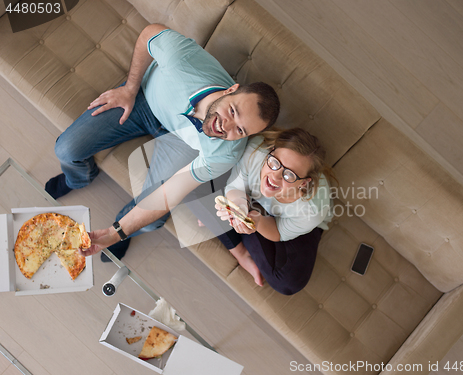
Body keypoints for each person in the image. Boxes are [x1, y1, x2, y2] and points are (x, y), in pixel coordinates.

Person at [44, 24, 280, 260]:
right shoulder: (184, 62)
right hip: (144, 100)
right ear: (231, 89)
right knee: (66, 149)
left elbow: (170, 192)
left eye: (239, 129)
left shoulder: (226, 153)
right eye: (232, 111)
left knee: (152, 221)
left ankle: (121, 231)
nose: (224, 126)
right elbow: (149, 34)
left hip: (181, 142)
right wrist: (129, 88)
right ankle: (78, 179)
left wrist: (116, 233)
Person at [213, 128, 335, 295]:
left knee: (288, 283)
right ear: (271, 150)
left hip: (295, 226)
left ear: (304, 183)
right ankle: (239, 250)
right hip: (255, 204)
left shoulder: (311, 211)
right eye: (276, 163)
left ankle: (216, 221)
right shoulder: (256, 152)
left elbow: (279, 232)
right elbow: (235, 187)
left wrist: (257, 222)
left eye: (289, 175)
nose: (275, 177)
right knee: (193, 182)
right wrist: (240, 208)